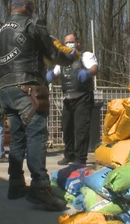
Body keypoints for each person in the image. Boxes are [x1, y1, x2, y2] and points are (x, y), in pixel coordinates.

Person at [0, 0, 75, 211]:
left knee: (17, 138)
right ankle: (40, 187)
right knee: (36, 135)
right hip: (27, 88)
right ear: (29, 9)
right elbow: (53, 51)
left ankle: (16, 184)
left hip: (5, 89)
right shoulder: (32, 24)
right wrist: (71, 57)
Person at [46, 33, 98, 165]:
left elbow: (94, 68)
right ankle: (69, 154)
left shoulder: (86, 55)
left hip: (83, 97)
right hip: (68, 98)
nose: (68, 44)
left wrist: (88, 72)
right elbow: (56, 73)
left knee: (81, 129)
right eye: (66, 42)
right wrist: (51, 75)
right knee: (67, 127)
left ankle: (80, 158)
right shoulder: (62, 60)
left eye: (71, 41)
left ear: (78, 42)